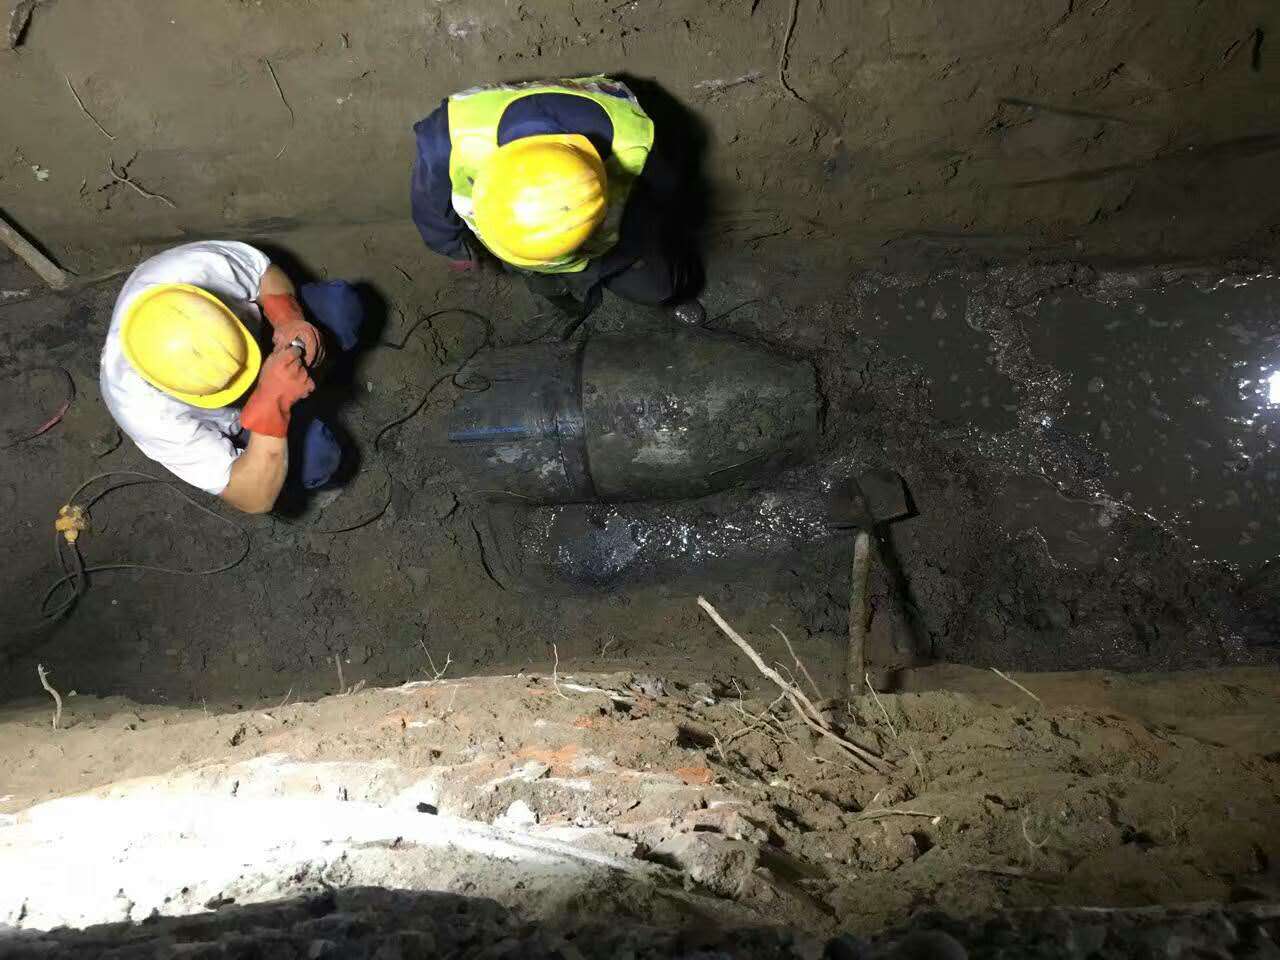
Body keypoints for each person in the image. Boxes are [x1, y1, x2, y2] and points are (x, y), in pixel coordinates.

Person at [411, 75, 703, 326]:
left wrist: (650, 235)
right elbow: (431, 207)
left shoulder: (633, 140)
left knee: (658, 287)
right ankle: (565, 301)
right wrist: (455, 250)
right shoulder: (449, 140)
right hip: (515, 248)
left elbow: (663, 193)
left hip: (605, 242)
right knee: (543, 282)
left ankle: (674, 295)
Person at [99, 241, 362, 513]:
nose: (251, 379)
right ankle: (300, 473)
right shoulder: (143, 413)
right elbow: (252, 497)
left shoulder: (193, 269)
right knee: (317, 458)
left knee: (341, 306)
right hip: (245, 417)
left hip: (261, 335)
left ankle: (323, 374)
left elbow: (265, 274)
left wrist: (287, 318)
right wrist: (271, 406)